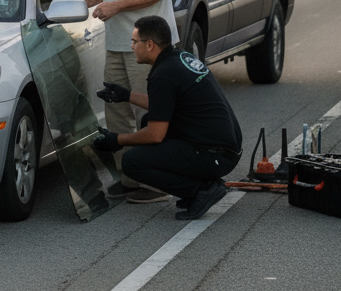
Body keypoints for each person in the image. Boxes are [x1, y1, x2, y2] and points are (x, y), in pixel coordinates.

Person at [93, 14, 242, 217]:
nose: (131, 47)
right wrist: (126, 95)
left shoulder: (163, 74)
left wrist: (117, 140)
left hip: (216, 154)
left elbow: (156, 135)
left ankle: (201, 190)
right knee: (148, 119)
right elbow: (164, 105)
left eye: (134, 42)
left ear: (150, 45)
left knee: (132, 162)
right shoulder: (179, 58)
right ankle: (204, 182)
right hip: (224, 146)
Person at [83, 0, 178, 203]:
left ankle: (155, 183)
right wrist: (86, 1)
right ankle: (130, 178)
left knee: (147, 113)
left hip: (147, 46)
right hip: (119, 42)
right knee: (116, 109)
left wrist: (115, 6)